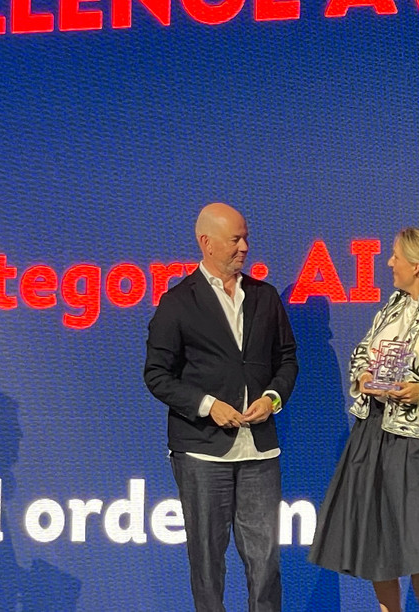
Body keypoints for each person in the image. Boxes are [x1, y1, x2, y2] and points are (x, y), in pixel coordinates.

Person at [308, 227, 419, 612]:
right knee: (376, 536)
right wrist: (363, 376)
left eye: (396, 256)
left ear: (416, 265)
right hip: (372, 433)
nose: (389, 262)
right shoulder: (394, 304)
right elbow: (361, 352)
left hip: (418, 441)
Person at [143, 202, 298, 612]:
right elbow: (156, 375)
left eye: (246, 238)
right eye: (235, 239)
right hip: (202, 451)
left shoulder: (264, 297)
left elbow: (287, 359)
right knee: (208, 563)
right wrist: (207, 405)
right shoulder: (178, 302)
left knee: (265, 562)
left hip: (259, 451)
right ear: (206, 242)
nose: (244, 247)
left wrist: (272, 398)